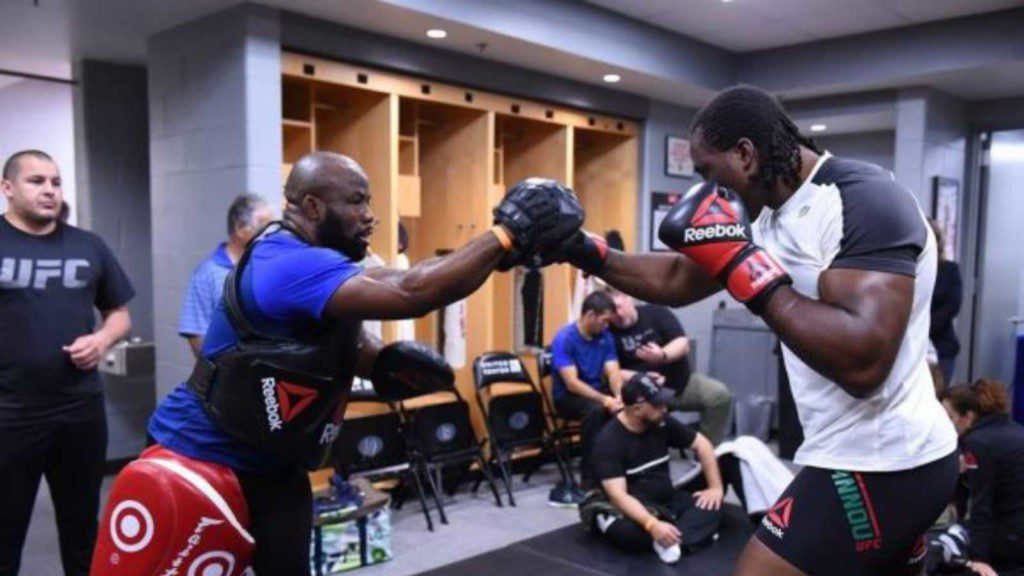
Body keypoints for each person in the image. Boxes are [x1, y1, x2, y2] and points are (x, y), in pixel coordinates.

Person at [90, 153, 583, 576]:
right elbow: (411, 291)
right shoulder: (283, 262)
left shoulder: (322, 261)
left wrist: (379, 359)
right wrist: (505, 234)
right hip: (200, 454)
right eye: (357, 201)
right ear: (311, 207)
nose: (370, 214)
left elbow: (370, 300)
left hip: (274, 464)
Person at [548, 86, 958, 576]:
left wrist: (745, 267)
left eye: (708, 172)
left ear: (745, 153)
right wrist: (583, 250)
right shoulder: (768, 219)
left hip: (887, 460)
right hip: (856, 452)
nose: (706, 190)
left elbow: (864, 361)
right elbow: (678, 277)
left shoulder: (864, 200)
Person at [0, 150, 135, 576]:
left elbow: (120, 314)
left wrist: (101, 340)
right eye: (36, 181)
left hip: (79, 412)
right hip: (9, 415)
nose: (49, 191)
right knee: (6, 533)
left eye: (55, 183)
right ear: (8, 188)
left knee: (82, 531)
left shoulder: (87, 244)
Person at [585, 373, 723, 564]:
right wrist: (652, 524)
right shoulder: (608, 442)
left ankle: (671, 541)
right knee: (629, 534)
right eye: (657, 405)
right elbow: (619, 496)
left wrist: (715, 487)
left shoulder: (661, 421)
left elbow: (703, 445)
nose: (664, 408)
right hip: (630, 508)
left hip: (664, 501)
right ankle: (685, 538)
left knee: (711, 507)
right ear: (636, 409)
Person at [608, 289, 733, 444]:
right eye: (612, 311)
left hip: (679, 386)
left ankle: (706, 451)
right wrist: (640, 378)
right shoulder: (608, 332)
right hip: (643, 396)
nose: (618, 314)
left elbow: (683, 344)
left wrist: (662, 355)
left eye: (620, 306)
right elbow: (611, 370)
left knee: (719, 396)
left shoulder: (656, 313)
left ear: (630, 299)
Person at [940, 379, 1024, 576]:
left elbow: (981, 505)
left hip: (1009, 538)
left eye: (950, 417)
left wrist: (979, 560)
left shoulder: (978, 443)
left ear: (967, 417)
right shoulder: (1013, 429)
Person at [178, 193, 274, 357]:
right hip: (228, 375)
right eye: (262, 225)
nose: (270, 234)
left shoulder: (271, 268)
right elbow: (197, 337)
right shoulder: (207, 274)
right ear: (239, 228)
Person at [550, 290, 625, 494]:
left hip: (596, 392)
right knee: (597, 411)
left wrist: (619, 397)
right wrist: (605, 400)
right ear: (590, 315)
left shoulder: (605, 336)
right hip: (568, 397)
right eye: (604, 320)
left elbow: (613, 371)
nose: (607, 326)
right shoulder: (564, 338)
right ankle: (590, 479)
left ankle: (620, 471)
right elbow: (572, 383)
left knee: (629, 406)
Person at [929, 218, 963, 387]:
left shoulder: (949, 270)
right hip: (908, 346)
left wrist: (924, 327)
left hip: (941, 345)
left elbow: (952, 307)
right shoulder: (908, 270)